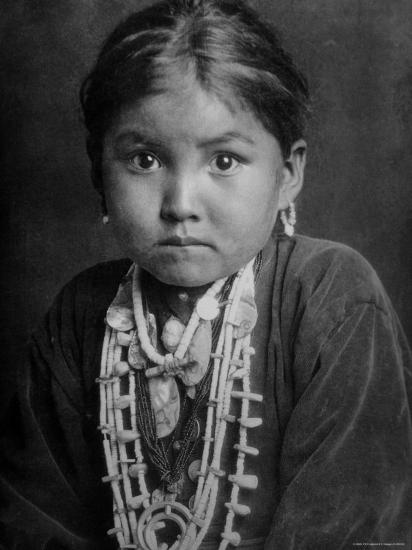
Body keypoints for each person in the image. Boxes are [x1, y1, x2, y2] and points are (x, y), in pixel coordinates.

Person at [1, 0, 411, 549]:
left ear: (287, 174)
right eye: (144, 159)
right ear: (100, 172)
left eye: (223, 161)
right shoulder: (82, 314)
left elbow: (346, 527)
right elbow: (32, 522)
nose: (180, 204)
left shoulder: (331, 299)